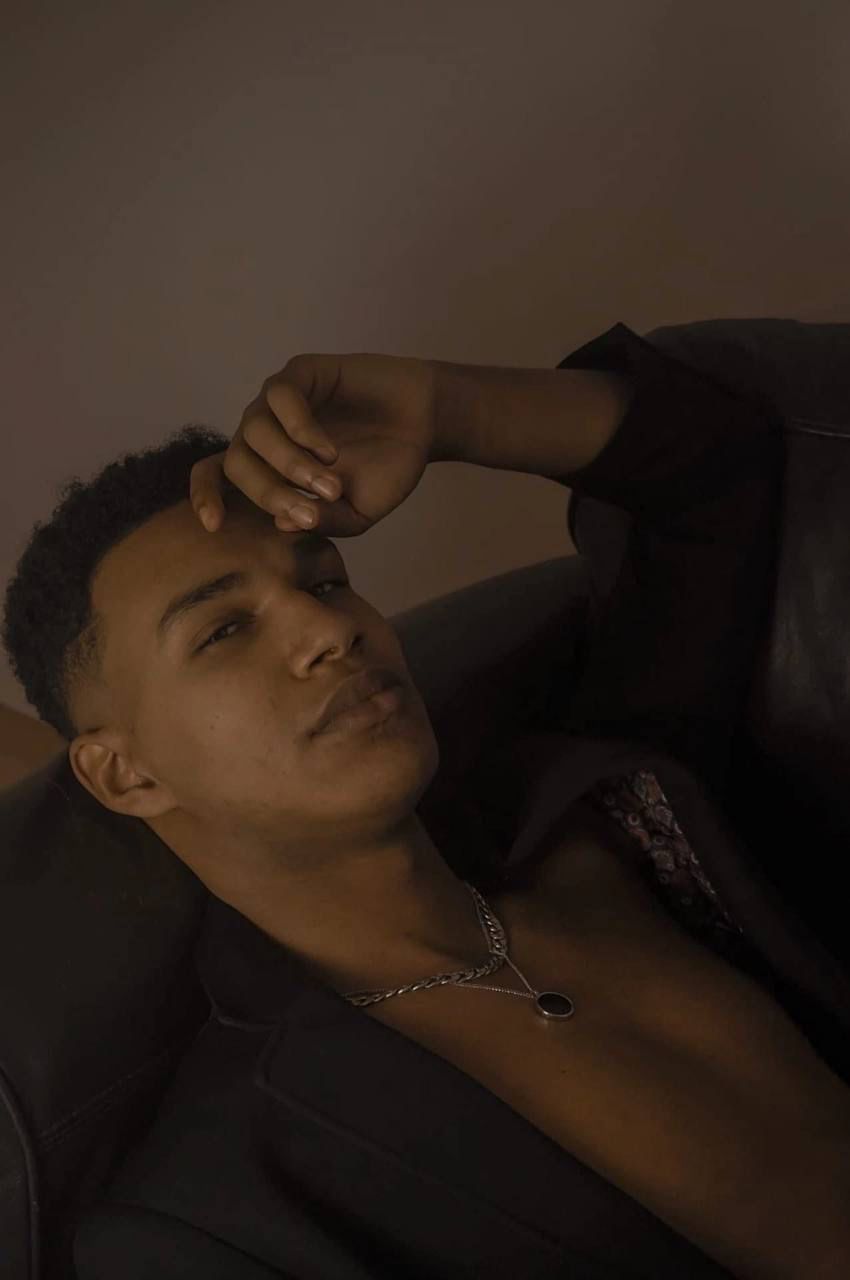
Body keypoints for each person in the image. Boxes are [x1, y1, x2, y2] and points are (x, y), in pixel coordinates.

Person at [7, 324, 848, 1276]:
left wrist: (451, 411)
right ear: (126, 774)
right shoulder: (217, 1220)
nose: (330, 628)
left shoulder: (591, 817)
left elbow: (719, 468)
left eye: (326, 580)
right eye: (224, 630)